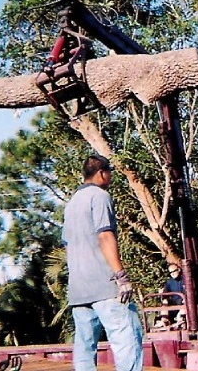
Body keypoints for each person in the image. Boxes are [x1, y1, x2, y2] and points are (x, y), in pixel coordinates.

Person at [63, 154, 143, 371]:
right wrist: (121, 276)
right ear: (101, 173)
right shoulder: (99, 196)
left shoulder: (70, 205)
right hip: (104, 287)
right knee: (127, 339)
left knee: (84, 350)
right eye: (109, 173)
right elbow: (105, 236)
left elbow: (67, 245)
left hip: (78, 290)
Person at [158, 263, 185, 328]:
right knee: (165, 301)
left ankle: (180, 318)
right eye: (170, 272)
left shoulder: (185, 279)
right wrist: (162, 295)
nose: (172, 273)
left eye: (174, 271)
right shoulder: (169, 282)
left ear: (178, 270)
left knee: (185, 301)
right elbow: (165, 293)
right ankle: (164, 320)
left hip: (183, 302)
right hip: (174, 301)